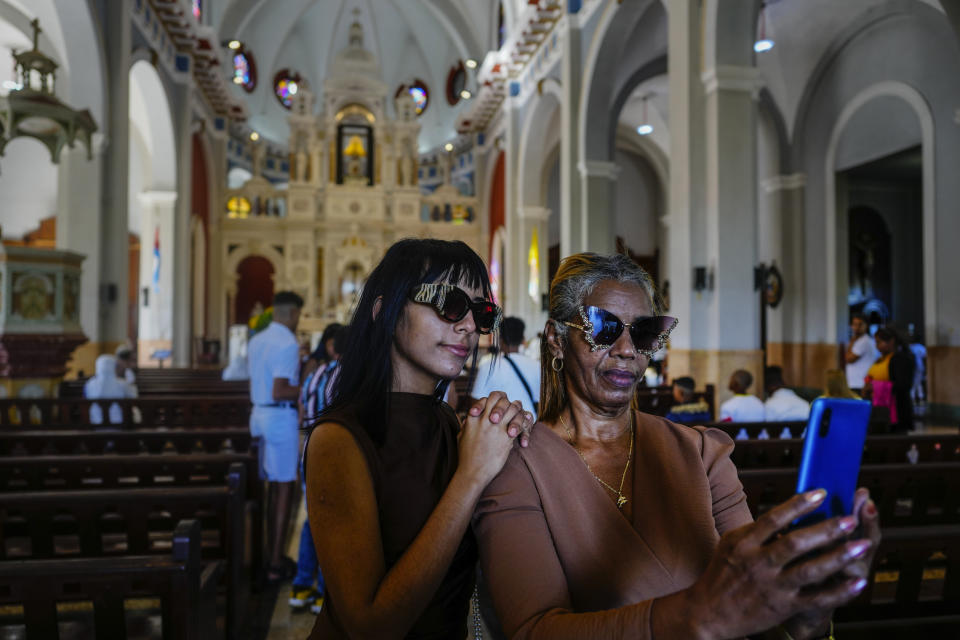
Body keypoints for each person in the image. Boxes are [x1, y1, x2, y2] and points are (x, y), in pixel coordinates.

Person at [473, 252, 881, 639]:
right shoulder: (517, 462)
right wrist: (695, 616)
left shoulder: (701, 452)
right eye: (604, 328)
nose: (628, 350)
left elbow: (757, 610)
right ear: (557, 340)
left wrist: (808, 609)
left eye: (646, 332)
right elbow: (534, 630)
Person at [303, 239, 534, 639]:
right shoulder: (338, 440)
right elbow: (369, 625)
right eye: (449, 303)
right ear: (384, 311)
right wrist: (471, 477)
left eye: (481, 312)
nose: (468, 326)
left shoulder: (446, 420)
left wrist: (514, 447)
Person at [290, 325, 350, 614]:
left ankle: (302, 586)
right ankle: (325, 592)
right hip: (332, 453)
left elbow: (301, 412)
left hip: (309, 450)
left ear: (330, 347)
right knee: (334, 522)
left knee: (312, 519)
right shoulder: (347, 376)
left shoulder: (313, 376)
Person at [247, 290, 304, 582]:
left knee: (267, 487)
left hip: (257, 416)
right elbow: (280, 389)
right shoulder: (287, 343)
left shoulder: (256, 339)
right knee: (284, 488)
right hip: (279, 418)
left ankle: (264, 552)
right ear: (293, 314)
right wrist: (309, 387)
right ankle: (274, 562)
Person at [470, 316, 541, 420]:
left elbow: (475, 403)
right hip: (530, 426)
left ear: (500, 339)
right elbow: (541, 403)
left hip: (496, 428)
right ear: (522, 339)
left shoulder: (488, 366)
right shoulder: (537, 366)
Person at [863, 326, 916, 432]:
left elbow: (903, 385)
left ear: (891, 342)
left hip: (896, 410)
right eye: (876, 342)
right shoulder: (881, 359)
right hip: (880, 409)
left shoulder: (900, 359)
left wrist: (875, 386)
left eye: (879, 342)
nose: (876, 345)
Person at [84, 354, 137, 425]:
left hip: (96, 423)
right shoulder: (122, 383)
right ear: (113, 367)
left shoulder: (89, 384)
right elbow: (134, 397)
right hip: (121, 424)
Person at [845, 313, 877, 391]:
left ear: (866, 326)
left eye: (860, 324)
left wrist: (852, 341)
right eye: (854, 324)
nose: (857, 327)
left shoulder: (864, 341)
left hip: (860, 384)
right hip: (855, 383)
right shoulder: (858, 340)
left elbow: (849, 359)